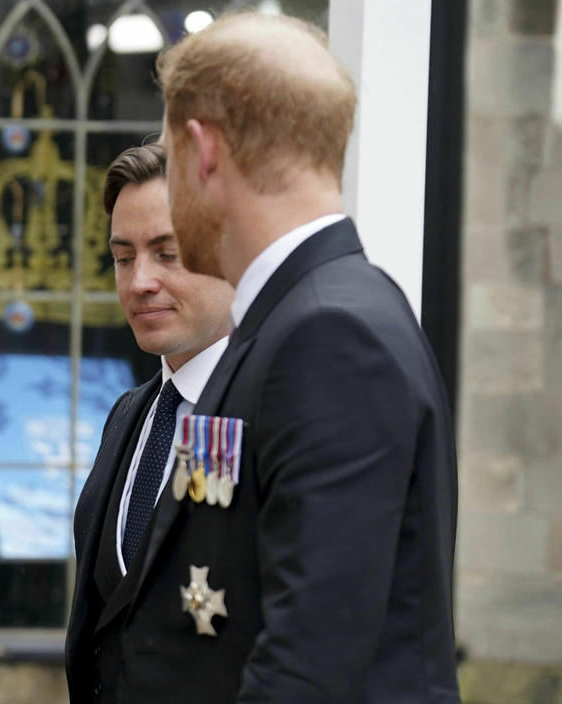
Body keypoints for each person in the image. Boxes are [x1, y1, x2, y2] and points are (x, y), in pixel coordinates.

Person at [145, 11, 460, 703]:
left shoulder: (330, 335)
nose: (169, 190)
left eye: (168, 162)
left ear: (204, 152)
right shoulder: (294, 318)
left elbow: (310, 663)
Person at [64, 143, 235, 701]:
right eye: (123, 257)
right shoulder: (129, 414)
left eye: (168, 253)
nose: (139, 282)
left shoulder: (263, 414)